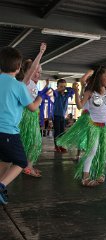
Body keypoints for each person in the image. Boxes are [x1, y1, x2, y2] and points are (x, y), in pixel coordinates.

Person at [72, 65, 106, 187]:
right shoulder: (90, 91)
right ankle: (85, 177)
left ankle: (99, 173)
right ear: (99, 76)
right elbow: (80, 106)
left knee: (103, 151)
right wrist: (76, 92)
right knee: (92, 150)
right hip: (93, 125)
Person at [0, 47, 42, 204]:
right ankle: (1, 185)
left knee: (4, 161)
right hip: (9, 132)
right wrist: (39, 100)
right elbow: (31, 108)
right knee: (21, 162)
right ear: (18, 68)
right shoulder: (18, 86)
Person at [17, 43, 47, 177]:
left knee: (31, 142)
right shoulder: (26, 81)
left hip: (32, 116)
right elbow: (32, 68)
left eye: (40, 72)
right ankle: (27, 167)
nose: (39, 74)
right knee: (34, 142)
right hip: (26, 116)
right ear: (28, 71)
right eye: (37, 71)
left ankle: (28, 166)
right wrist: (40, 53)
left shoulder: (33, 84)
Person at [56, 70, 94, 161]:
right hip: (85, 117)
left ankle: (88, 156)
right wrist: (79, 89)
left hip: (92, 118)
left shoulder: (95, 92)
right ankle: (78, 155)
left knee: (90, 137)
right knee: (81, 137)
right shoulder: (85, 91)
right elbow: (80, 101)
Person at [53, 79, 74, 153]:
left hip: (62, 116)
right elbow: (54, 91)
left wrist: (66, 88)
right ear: (57, 87)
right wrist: (59, 89)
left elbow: (72, 90)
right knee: (57, 131)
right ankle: (56, 146)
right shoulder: (56, 94)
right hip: (55, 116)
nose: (63, 88)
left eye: (64, 86)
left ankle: (61, 145)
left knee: (62, 132)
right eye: (61, 86)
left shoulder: (66, 94)